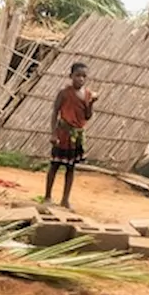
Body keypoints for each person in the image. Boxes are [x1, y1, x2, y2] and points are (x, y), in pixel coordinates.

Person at [45, 62, 98, 209]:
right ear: (71, 76)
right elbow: (55, 112)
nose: (80, 79)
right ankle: (47, 196)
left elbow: (87, 116)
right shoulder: (64, 93)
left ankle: (65, 199)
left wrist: (92, 103)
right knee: (54, 165)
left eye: (84, 76)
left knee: (71, 168)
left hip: (76, 136)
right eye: (77, 75)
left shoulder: (88, 95)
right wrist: (53, 133)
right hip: (63, 133)